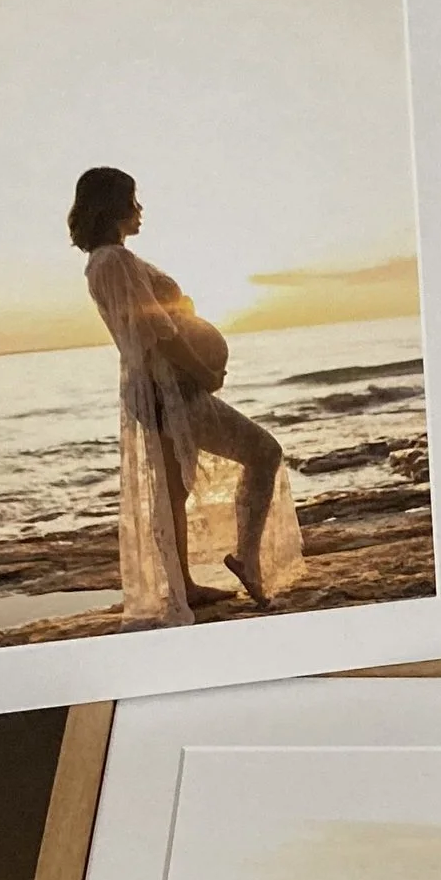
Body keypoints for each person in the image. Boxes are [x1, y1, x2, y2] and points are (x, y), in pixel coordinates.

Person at [68, 167, 302, 628]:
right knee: (263, 450)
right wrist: (204, 368)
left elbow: (162, 319)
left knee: (174, 491)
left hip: (159, 387)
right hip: (167, 389)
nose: (140, 209)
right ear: (113, 206)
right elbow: (155, 330)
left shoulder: (109, 261)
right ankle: (245, 561)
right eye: (133, 199)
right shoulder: (113, 261)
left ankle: (186, 585)